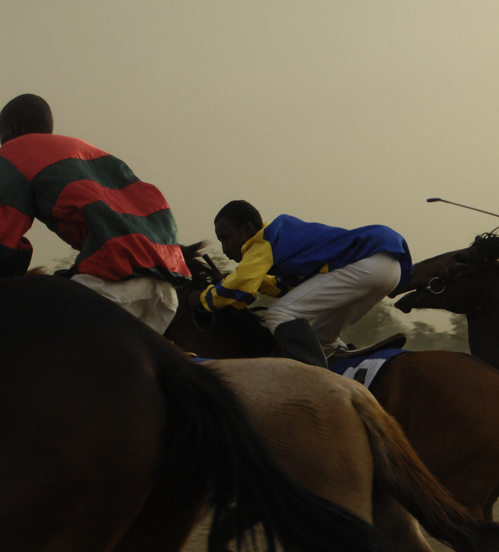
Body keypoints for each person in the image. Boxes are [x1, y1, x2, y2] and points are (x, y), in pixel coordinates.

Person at [0, 93, 189, 333]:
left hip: (111, 281)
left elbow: (4, 239)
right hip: (165, 289)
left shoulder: (12, 153)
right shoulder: (88, 151)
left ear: (11, 129)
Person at [200, 201, 411, 367]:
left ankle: (315, 381)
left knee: (279, 315)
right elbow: (287, 288)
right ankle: (342, 359)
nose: (226, 249)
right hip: (389, 268)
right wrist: (252, 283)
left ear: (247, 229)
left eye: (226, 239)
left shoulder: (262, 242)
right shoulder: (281, 241)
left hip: (367, 264)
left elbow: (241, 284)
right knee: (320, 337)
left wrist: (205, 298)